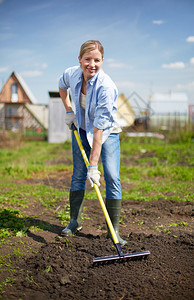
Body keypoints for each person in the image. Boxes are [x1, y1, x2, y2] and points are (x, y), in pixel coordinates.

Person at [58, 40, 127, 245]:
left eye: (97, 60)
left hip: (106, 133)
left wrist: (94, 166)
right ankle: (74, 222)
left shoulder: (106, 88)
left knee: (112, 177)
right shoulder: (72, 74)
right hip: (80, 129)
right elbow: (62, 86)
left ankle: (113, 230)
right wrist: (69, 110)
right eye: (87, 59)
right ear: (80, 60)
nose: (92, 64)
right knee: (78, 174)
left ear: (102, 61)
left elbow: (98, 131)